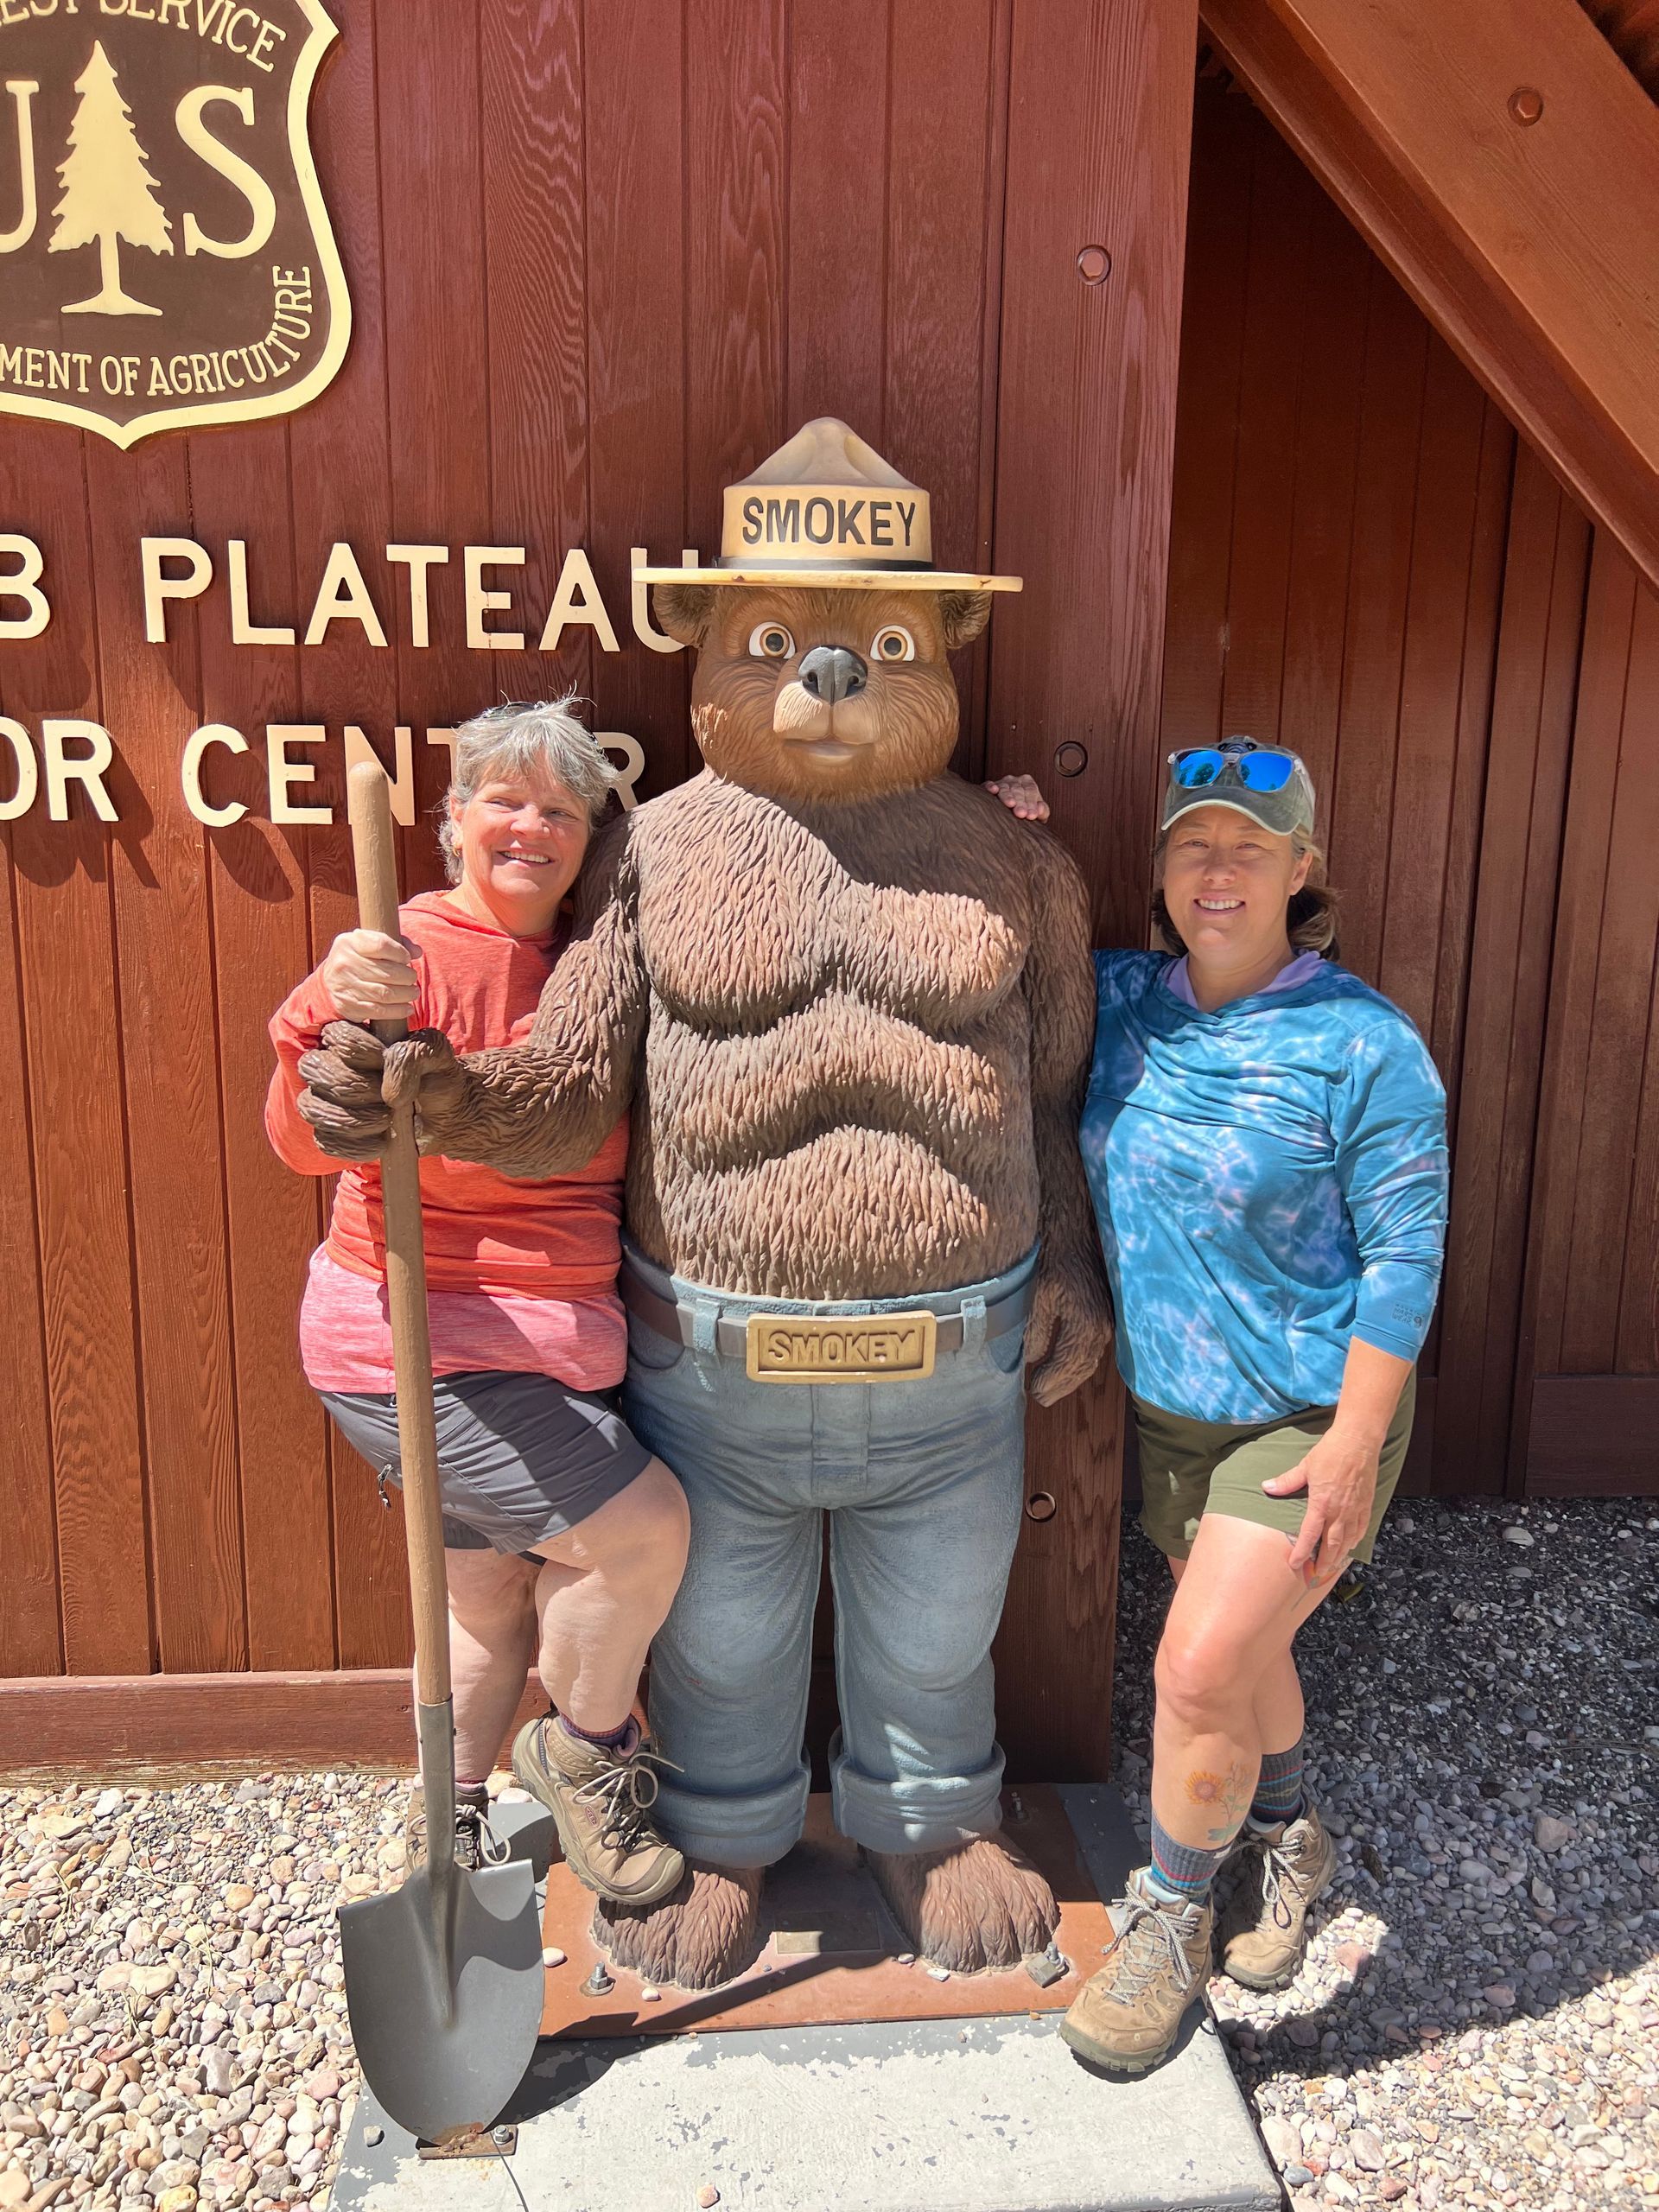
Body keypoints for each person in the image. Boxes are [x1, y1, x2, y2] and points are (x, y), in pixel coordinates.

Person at [1057, 735, 1448, 2076]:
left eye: (1247, 847)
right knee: (1245, 1651)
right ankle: (1288, 1840)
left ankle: (1170, 1917)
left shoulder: (1362, 1043)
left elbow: (1407, 1254)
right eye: (1191, 844)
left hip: (1307, 1413)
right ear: (1161, 868)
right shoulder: (1123, 997)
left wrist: (1350, 1445)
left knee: (1196, 1665)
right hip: (1175, 1407)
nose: (1215, 870)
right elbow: (1008, 952)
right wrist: (997, 827)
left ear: (1303, 869)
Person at [265, 698, 693, 1904]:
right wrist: (344, 1034)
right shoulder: (394, 954)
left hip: (546, 1356)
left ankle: (446, 1832)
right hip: (414, 1342)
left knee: (496, 1593)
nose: (532, 828)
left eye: (561, 809)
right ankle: (583, 1755)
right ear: (454, 820)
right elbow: (297, 1141)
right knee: (642, 1535)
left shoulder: (590, 969)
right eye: (504, 800)